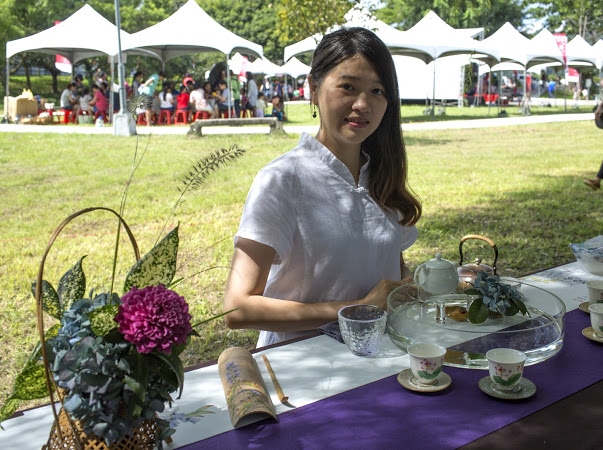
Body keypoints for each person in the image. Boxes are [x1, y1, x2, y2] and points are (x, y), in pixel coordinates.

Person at [223, 27, 422, 347]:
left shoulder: (382, 178)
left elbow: (391, 267)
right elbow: (237, 307)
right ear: (313, 89)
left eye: (377, 91)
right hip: (300, 367)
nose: (363, 104)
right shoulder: (282, 180)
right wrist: (357, 309)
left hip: (376, 358)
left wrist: (410, 285)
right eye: (348, 86)